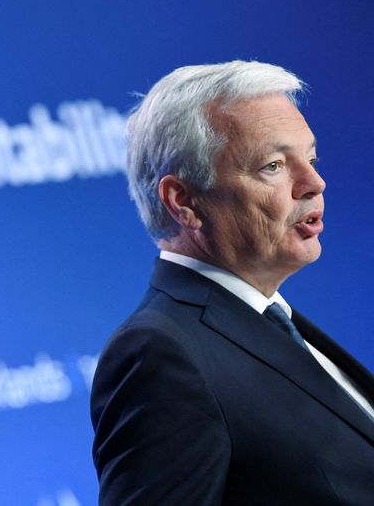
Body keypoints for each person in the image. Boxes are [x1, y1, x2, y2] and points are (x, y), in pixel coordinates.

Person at [90, 61, 374, 504]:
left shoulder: (271, 321)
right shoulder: (161, 354)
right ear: (183, 201)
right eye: (273, 165)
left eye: (312, 159)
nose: (314, 183)